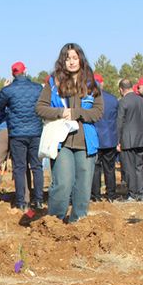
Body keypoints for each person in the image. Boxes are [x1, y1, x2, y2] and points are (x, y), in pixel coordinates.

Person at [36, 43, 103, 222]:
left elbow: (97, 112)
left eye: (75, 58)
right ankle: (55, 222)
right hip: (61, 142)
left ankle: (78, 222)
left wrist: (76, 113)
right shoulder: (53, 82)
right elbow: (40, 108)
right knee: (63, 183)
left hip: (86, 143)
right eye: (68, 58)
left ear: (80, 59)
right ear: (62, 61)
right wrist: (60, 113)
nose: (71, 62)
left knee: (83, 186)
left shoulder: (90, 83)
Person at [0, 61, 44, 214]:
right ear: (26, 71)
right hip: (36, 132)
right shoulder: (37, 88)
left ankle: (22, 202)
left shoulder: (8, 90)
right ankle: (39, 200)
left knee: (19, 168)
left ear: (12, 74)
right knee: (37, 167)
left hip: (17, 134)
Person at [116, 78, 143, 201]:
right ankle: (141, 192)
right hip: (142, 139)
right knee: (139, 167)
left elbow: (119, 123)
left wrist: (118, 141)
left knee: (129, 168)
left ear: (121, 89)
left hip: (128, 140)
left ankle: (132, 193)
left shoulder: (123, 102)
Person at [92, 74, 119, 202]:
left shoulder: (89, 100)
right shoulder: (113, 99)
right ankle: (111, 195)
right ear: (102, 84)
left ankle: (96, 195)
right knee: (110, 168)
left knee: (95, 169)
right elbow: (117, 120)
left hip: (95, 139)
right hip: (110, 139)